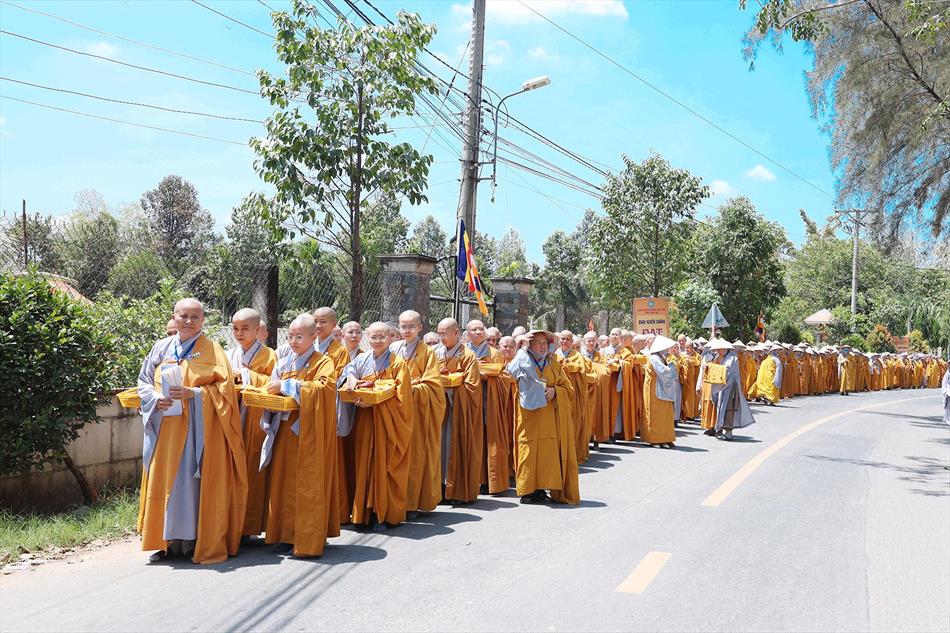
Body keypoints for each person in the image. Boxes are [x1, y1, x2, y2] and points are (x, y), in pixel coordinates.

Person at [136, 298, 246, 564]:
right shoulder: (161, 347)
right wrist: (154, 399)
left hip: (197, 431)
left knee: (190, 484)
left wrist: (194, 394)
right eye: (183, 316)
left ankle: (191, 541)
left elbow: (226, 392)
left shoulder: (213, 350)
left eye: (194, 317)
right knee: (162, 483)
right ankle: (163, 542)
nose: (188, 321)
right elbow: (143, 381)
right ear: (173, 317)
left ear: (203, 320)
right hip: (165, 428)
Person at [258, 314, 339, 557]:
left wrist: (286, 386)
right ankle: (284, 533)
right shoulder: (284, 362)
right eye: (290, 336)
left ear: (314, 337)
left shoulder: (323, 362)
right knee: (283, 483)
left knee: (308, 484)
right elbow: (272, 389)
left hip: (309, 434)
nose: (293, 341)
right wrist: (270, 396)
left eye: (299, 336)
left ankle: (308, 537)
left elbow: (324, 391)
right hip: (284, 431)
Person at [337, 322, 413, 531]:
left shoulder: (399, 364)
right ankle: (363, 514)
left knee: (384, 466)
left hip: (388, 425)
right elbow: (348, 370)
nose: (377, 341)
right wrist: (351, 378)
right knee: (363, 466)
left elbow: (403, 400)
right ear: (367, 339)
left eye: (382, 337)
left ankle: (383, 515)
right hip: (365, 422)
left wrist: (378, 402)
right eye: (373, 337)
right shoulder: (361, 359)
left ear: (390, 338)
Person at [506, 330, 579, 505]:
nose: (542, 346)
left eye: (545, 342)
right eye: (538, 342)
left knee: (547, 454)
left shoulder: (552, 362)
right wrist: (520, 349)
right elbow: (510, 372)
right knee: (528, 451)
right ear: (530, 344)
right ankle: (527, 490)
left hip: (548, 417)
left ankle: (542, 489)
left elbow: (568, 388)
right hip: (528, 416)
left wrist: (555, 391)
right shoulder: (523, 359)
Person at [227, 308, 277, 541]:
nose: (239, 333)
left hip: (257, 421)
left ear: (258, 330)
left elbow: (275, 384)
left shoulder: (270, 356)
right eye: (235, 328)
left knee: (252, 470)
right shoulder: (228, 355)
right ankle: (230, 523)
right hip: (232, 418)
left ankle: (249, 526)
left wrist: (246, 376)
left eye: (245, 328)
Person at [394, 310, 446, 515]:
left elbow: (433, 385)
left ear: (419, 328)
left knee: (414, 456)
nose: (407, 330)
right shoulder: (393, 349)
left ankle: (412, 501)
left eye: (411, 326)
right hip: (395, 411)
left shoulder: (427, 352)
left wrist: (411, 388)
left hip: (417, 413)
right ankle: (394, 500)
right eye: (403, 326)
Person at [436, 318, 483, 503]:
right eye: (439, 333)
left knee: (454, 447)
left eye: (444, 334)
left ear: (456, 333)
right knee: (438, 448)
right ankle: (438, 487)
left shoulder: (467, 355)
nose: (441, 337)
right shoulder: (435, 353)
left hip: (458, 411)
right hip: (439, 409)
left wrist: (454, 387)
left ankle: (456, 490)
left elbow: (473, 387)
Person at [467, 319, 512, 495]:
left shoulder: (495, 354)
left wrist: (488, 377)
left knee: (488, 441)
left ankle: (487, 481)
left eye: (481, 329)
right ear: (467, 332)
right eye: (474, 329)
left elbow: (505, 378)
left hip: (488, 402)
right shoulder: (463, 352)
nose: (478, 332)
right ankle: (470, 480)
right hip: (467, 403)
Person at [556, 330, 589, 463]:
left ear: (571, 342)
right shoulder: (554, 354)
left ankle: (573, 453)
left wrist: (566, 364)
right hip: (558, 393)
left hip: (573, 396)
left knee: (573, 423)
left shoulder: (577, 355)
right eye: (562, 339)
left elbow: (581, 370)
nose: (564, 341)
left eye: (567, 339)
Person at [712, 339, 756, 440]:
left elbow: (729, 371)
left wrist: (717, 369)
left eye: (719, 349)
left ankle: (728, 432)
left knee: (729, 409)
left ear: (724, 348)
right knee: (721, 408)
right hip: (723, 387)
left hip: (731, 388)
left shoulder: (732, 357)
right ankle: (720, 429)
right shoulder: (723, 357)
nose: (718, 351)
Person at [642, 335, 677, 448]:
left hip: (663, 389)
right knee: (656, 415)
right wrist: (671, 366)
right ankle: (655, 439)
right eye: (666, 348)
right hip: (654, 390)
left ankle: (666, 438)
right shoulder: (654, 358)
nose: (668, 350)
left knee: (666, 414)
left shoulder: (661, 357)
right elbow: (663, 372)